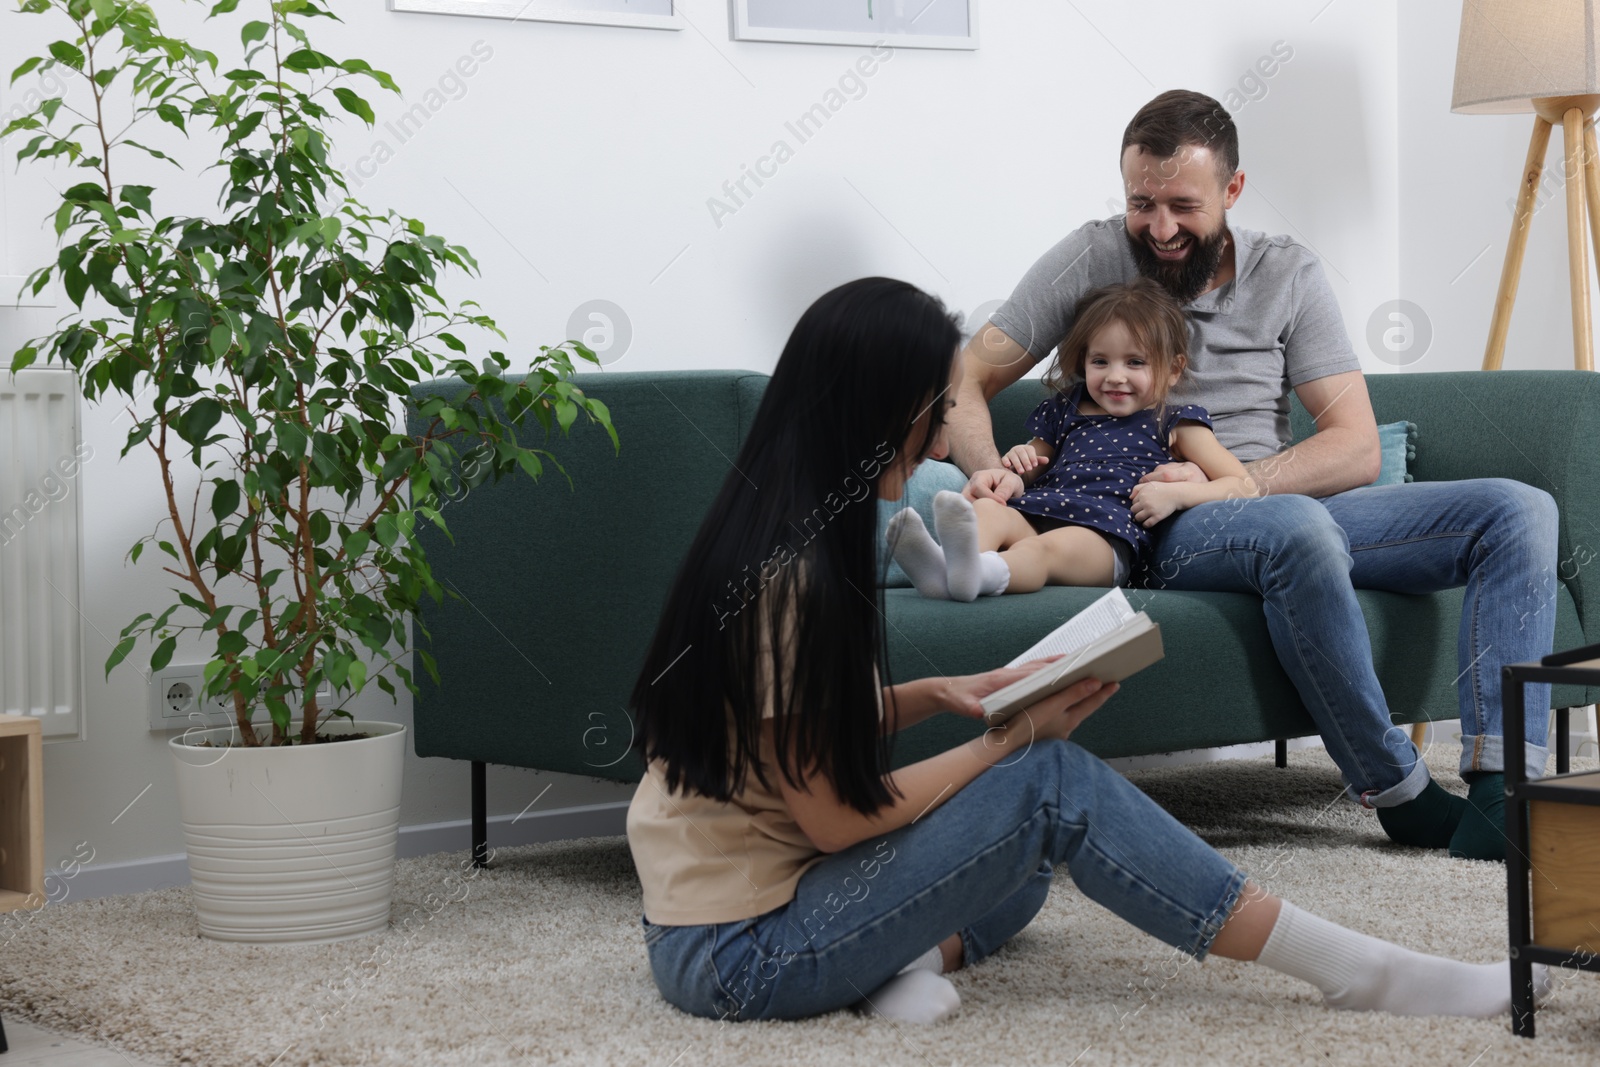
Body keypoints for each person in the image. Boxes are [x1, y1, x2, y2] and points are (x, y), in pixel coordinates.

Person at [624, 276, 1542, 1025]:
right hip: (740, 952)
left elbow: (781, 735)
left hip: (762, 904)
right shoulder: (792, 580)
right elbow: (833, 822)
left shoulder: (779, 537)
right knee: (1050, 786)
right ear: (875, 409)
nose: (943, 434)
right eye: (934, 410)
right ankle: (1365, 971)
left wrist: (942, 691)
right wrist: (1005, 742)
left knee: (1021, 875)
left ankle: (885, 963)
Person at [945, 89, 1558, 862]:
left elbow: (1356, 447)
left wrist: (1233, 485)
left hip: (1255, 495)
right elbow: (964, 379)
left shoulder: (1288, 273)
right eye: (1142, 203)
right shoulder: (1092, 256)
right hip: (1160, 516)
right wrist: (988, 476)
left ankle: (1503, 794)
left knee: (1519, 510)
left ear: (1233, 191)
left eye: (1182, 205)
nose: (1160, 229)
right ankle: (1398, 789)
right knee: (1298, 526)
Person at [888, 278, 1254, 600]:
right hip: (1037, 509)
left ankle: (980, 573)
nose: (1114, 376)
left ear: (1173, 369)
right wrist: (1016, 467)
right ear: (1084, 361)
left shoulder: (1175, 422)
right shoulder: (1066, 408)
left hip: (1103, 535)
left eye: (1135, 362)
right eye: (1100, 362)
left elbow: (1242, 484)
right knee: (987, 510)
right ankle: (946, 574)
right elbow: (1033, 464)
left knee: (1042, 550)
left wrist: (1179, 494)